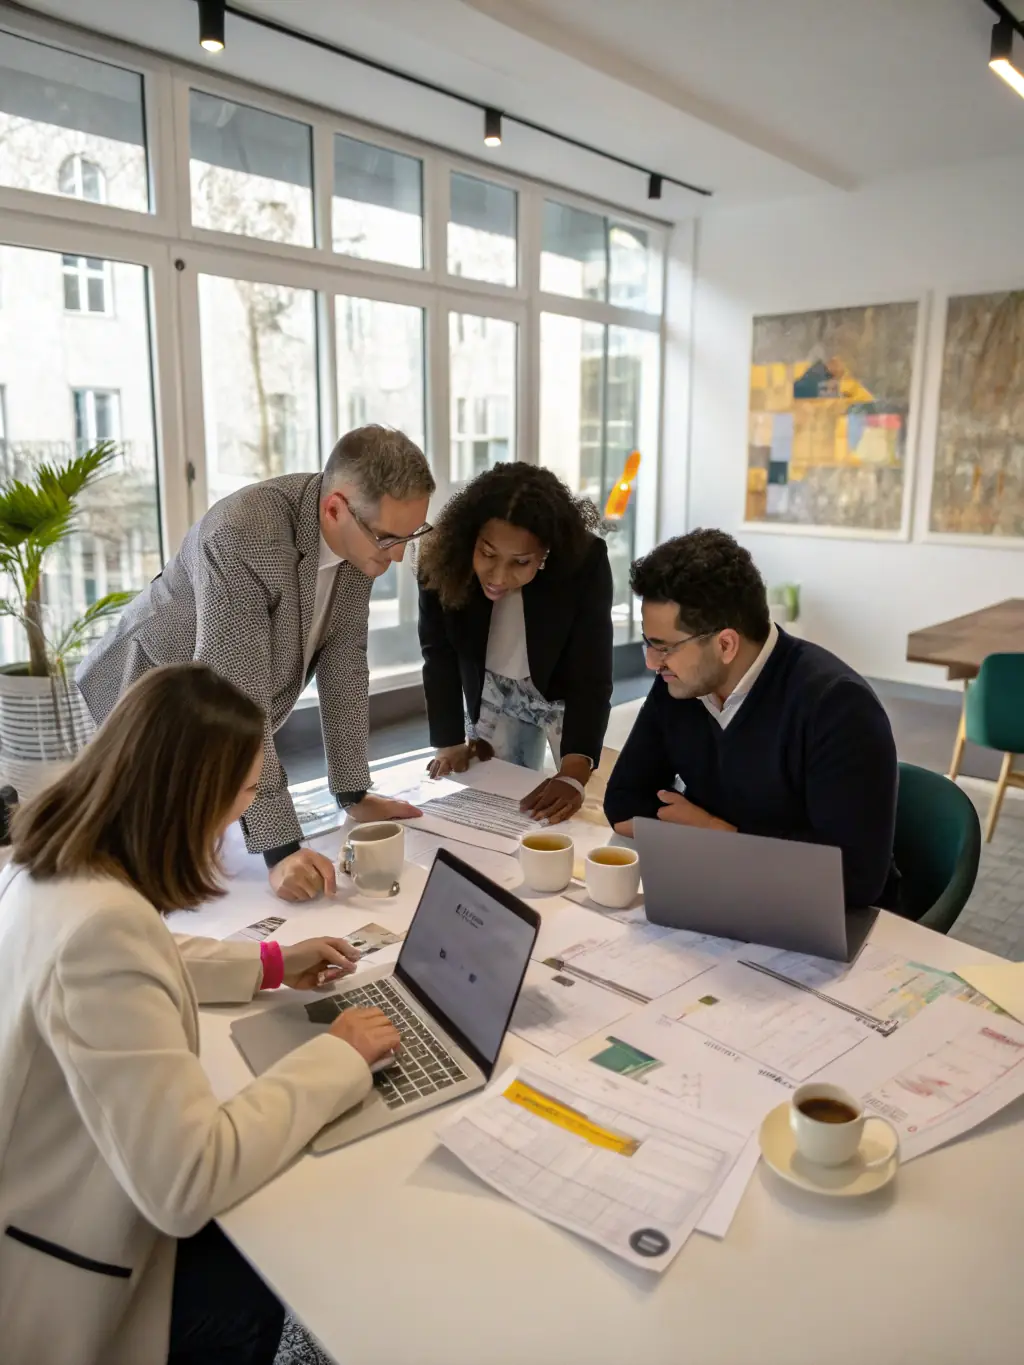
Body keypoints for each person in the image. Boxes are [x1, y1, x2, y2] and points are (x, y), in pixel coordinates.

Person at [0, 664, 402, 1365]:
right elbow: (189, 1178)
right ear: (192, 799)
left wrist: (271, 963)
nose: (243, 817)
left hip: (43, 1189)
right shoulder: (102, 931)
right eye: (246, 793)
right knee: (272, 1243)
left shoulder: (47, 865)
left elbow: (138, 951)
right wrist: (336, 1053)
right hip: (66, 1279)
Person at [79, 424, 435, 903]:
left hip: (209, 721)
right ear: (334, 508)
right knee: (140, 888)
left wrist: (353, 793)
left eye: (410, 537)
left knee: (204, 880)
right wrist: (281, 849)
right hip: (140, 706)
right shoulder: (246, 535)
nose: (397, 556)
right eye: (390, 538)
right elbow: (236, 697)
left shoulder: (360, 539)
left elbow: (344, 663)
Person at [604, 529, 899, 909]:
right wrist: (720, 841)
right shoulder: (680, 685)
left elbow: (851, 877)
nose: (651, 663)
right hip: (726, 892)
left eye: (664, 648)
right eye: (649, 643)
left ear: (726, 644)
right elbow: (623, 802)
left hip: (832, 919)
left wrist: (717, 833)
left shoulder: (837, 707)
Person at [417, 463, 613, 824]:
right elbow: (438, 653)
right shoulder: (442, 556)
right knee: (500, 808)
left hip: (560, 693)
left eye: (521, 562)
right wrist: (448, 741)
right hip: (493, 689)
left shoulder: (583, 562)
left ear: (546, 553)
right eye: (487, 554)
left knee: (580, 808)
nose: (498, 576)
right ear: (471, 537)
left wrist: (573, 771)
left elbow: (591, 672)